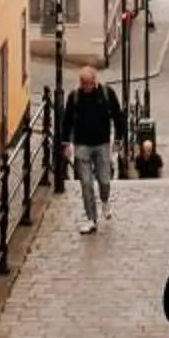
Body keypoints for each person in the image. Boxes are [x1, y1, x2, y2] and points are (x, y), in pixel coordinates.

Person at [61, 65, 129, 233]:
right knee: (86, 184)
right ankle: (91, 219)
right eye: (83, 84)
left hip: (102, 144)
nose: (86, 87)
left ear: (95, 81)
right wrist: (65, 143)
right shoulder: (75, 97)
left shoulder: (106, 94)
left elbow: (118, 116)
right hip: (82, 145)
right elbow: (67, 120)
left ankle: (105, 201)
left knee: (104, 180)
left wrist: (119, 139)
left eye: (89, 83)